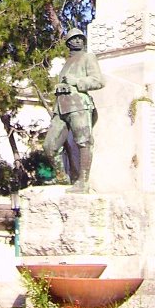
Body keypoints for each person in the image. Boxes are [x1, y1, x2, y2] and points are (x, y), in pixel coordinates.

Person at [43, 29, 104, 193]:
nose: (78, 41)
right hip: (61, 107)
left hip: (79, 105)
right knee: (49, 146)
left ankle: (83, 182)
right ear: (68, 42)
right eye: (74, 39)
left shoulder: (88, 57)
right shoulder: (67, 62)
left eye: (80, 38)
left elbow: (98, 81)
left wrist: (77, 82)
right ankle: (62, 177)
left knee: (84, 141)